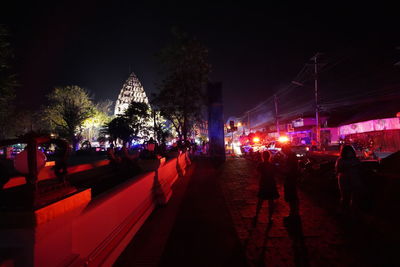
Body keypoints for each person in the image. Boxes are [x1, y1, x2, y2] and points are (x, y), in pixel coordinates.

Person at [253, 150, 279, 226]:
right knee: (271, 202)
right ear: (269, 156)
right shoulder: (272, 165)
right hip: (271, 183)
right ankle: (270, 218)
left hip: (263, 183)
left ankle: (256, 215)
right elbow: (276, 173)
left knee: (260, 201)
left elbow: (257, 174)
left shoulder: (260, 164)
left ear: (263, 157)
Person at [335, 145, 363, 212]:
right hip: (345, 181)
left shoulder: (355, 159)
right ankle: (343, 211)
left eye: (351, 152)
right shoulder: (341, 160)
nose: (350, 153)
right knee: (345, 197)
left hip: (354, 180)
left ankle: (352, 211)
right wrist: (349, 167)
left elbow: (360, 168)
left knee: (355, 197)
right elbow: (338, 170)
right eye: (348, 152)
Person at [281, 145, 300, 224]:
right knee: (293, 197)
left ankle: (293, 214)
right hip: (292, 178)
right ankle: (294, 213)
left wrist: (283, 170)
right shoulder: (291, 156)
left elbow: (289, 169)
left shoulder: (291, 157)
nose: (283, 152)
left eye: (284, 150)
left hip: (291, 179)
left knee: (292, 197)